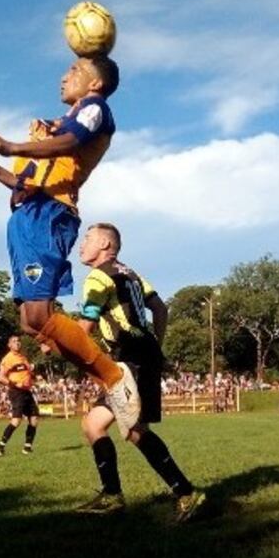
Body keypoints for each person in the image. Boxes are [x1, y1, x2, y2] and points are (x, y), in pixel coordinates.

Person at [0, 55, 140, 433]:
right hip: (27, 215)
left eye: (74, 71)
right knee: (29, 322)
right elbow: (27, 184)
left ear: (95, 83)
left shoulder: (95, 110)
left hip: (49, 215)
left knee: (41, 315)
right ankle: (107, 377)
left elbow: (73, 141)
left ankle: (113, 378)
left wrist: (10, 147)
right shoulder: (56, 127)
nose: (63, 77)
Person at [73, 223, 204, 522]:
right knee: (101, 425)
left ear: (105, 243)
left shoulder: (97, 276)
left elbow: (85, 326)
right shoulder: (130, 272)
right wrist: (156, 343)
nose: (81, 245)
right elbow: (160, 308)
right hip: (140, 355)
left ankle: (181, 492)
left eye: (87, 239)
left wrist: (57, 340)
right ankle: (116, 495)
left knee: (127, 429)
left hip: (130, 358)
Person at [0, 335, 40, 456]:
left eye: (18, 341)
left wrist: (34, 376)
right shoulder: (8, 359)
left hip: (26, 391)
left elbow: (27, 373)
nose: (17, 343)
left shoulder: (23, 357)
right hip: (16, 391)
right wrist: (16, 383)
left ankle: (27, 448)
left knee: (34, 418)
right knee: (16, 420)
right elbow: (0, 377)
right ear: (9, 345)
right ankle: (0, 447)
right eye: (14, 342)